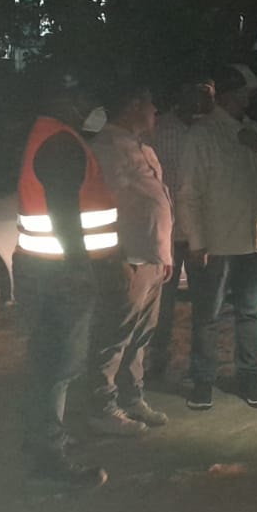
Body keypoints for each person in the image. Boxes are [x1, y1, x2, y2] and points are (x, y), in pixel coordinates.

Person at [14, 70, 119, 489]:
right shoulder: (61, 142)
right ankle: (49, 462)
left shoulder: (48, 135)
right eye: (85, 99)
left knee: (47, 362)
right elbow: (63, 213)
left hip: (45, 269)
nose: (92, 108)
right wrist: (79, 268)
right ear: (65, 99)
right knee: (58, 364)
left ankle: (43, 438)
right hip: (59, 274)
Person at [176, 62, 257, 410]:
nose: (250, 97)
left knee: (249, 313)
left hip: (254, 242)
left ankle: (248, 378)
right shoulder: (202, 134)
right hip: (217, 243)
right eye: (246, 91)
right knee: (208, 315)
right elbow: (188, 192)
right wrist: (196, 241)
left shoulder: (251, 130)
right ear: (231, 94)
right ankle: (203, 380)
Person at [86, 82, 173, 436]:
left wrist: (164, 255)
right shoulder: (107, 148)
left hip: (151, 257)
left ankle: (131, 397)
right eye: (151, 105)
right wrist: (115, 256)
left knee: (140, 334)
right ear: (134, 106)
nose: (155, 112)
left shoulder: (142, 148)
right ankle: (102, 408)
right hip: (128, 257)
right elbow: (102, 205)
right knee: (115, 334)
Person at [146, 72, 215, 388]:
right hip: (169, 234)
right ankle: (156, 364)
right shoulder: (160, 130)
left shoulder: (213, 131)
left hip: (203, 233)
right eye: (198, 92)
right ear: (182, 94)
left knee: (205, 307)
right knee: (162, 306)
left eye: (208, 93)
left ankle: (200, 371)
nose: (204, 99)